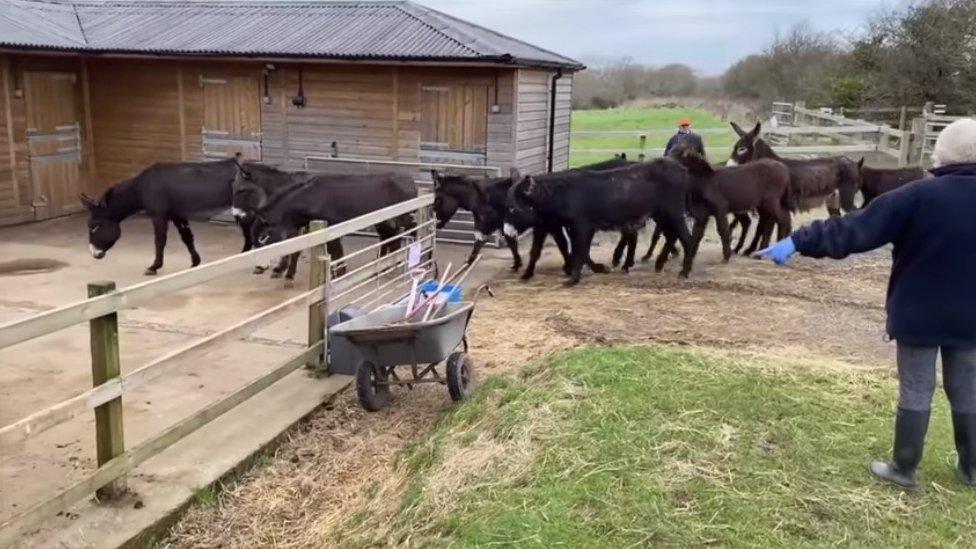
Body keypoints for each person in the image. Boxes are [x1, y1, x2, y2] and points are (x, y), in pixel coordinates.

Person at [756, 118, 976, 489]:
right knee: (969, 387)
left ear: (940, 155)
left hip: (918, 313)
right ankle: (972, 469)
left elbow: (854, 230)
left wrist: (797, 241)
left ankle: (904, 469)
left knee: (916, 388)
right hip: (972, 316)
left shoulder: (916, 197)